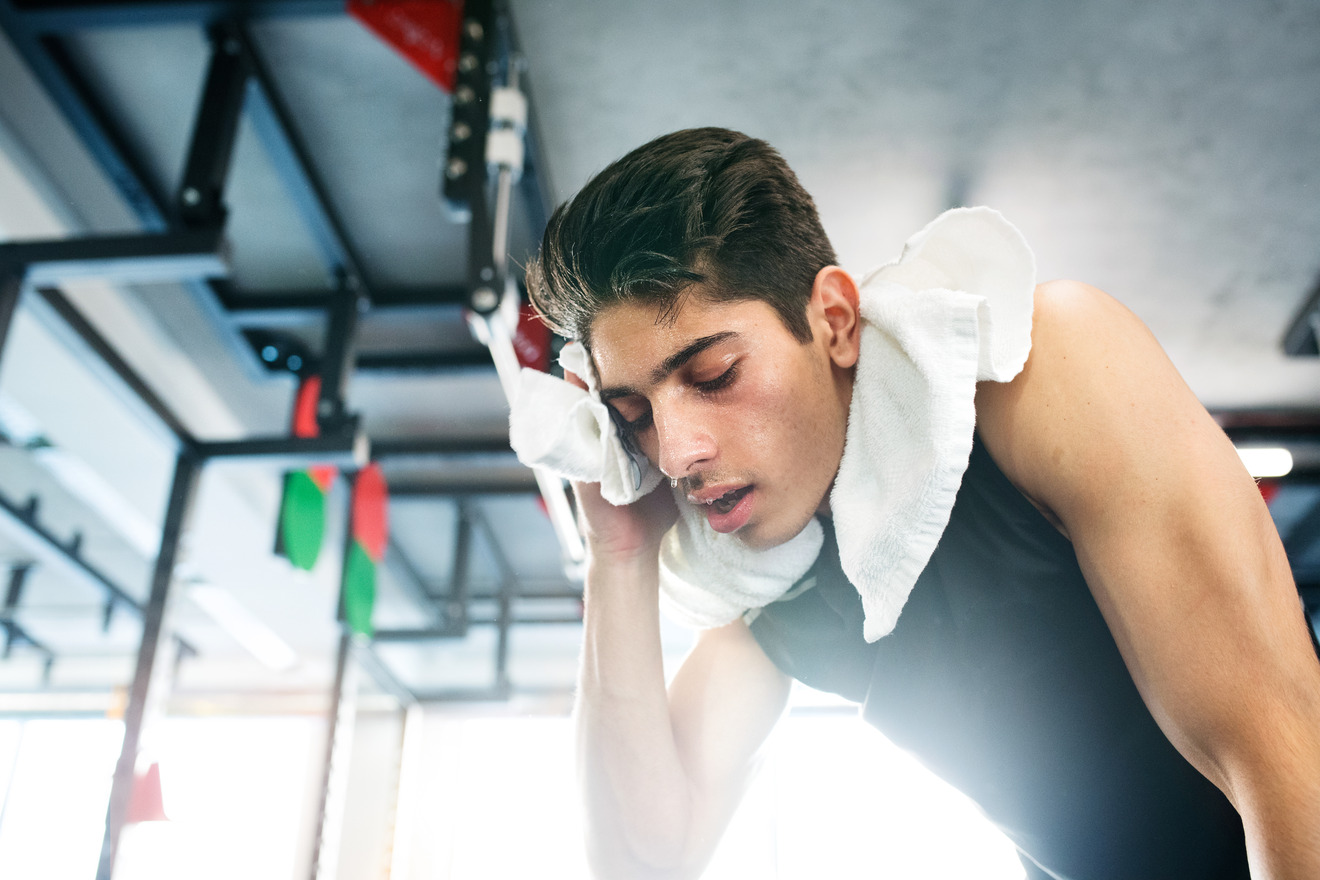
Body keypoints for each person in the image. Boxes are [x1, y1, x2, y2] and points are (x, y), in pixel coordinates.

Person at [518, 128, 1320, 879]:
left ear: (833, 319)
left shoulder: (1040, 372)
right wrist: (618, 552)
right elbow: (644, 859)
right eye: (634, 415)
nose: (677, 451)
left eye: (717, 375)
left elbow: (1279, 755)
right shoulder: (779, 583)